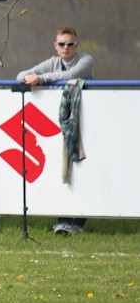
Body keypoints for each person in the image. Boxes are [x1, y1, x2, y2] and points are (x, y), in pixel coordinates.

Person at [16, 26, 94, 236]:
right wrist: (29, 78)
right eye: (62, 44)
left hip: (83, 123)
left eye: (70, 44)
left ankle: (79, 219)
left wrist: (39, 78)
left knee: (81, 168)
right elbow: (21, 75)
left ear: (76, 46)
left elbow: (71, 75)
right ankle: (64, 219)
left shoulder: (86, 60)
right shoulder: (52, 63)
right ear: (55, 46)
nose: (66, 48)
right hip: (60, 124)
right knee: (62, 169)